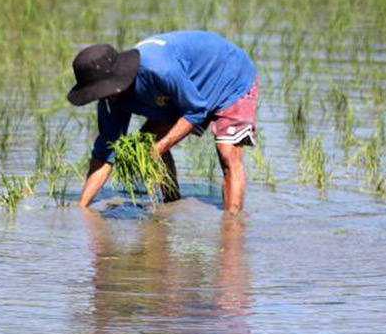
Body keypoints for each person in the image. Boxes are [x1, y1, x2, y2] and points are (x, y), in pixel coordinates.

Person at [66, 31, 259, 213]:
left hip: (230, 76)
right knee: (144, 144)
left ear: (116, 78)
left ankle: (232, 228)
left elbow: (196, 110)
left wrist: (160, 147)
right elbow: (105, 152)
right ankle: (172, 204)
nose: (104, 97)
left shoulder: (158, 70)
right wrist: (82, 207)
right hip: (186, 88)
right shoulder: (111, 98)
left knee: (227, 155)